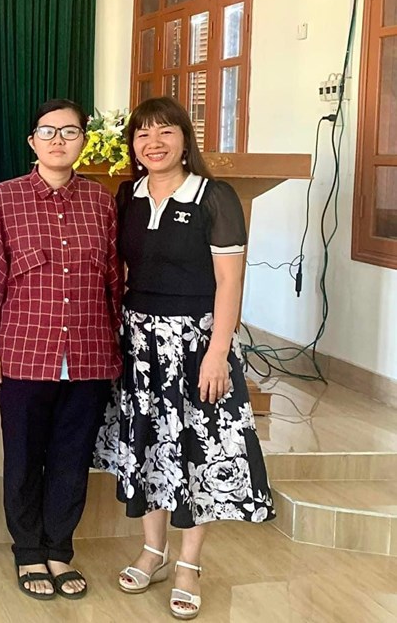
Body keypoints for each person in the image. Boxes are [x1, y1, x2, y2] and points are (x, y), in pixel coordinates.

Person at [94, 96, 275, 621]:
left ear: (184, 140)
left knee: (196, 452)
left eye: (165, 131)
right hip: (139, 343)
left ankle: (189, 564)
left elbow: (229, 283)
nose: (153, 142)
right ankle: (153, 551)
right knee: (148, 447)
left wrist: (218, 352)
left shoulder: (214, 197)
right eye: (142, 133)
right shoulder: (128, 195)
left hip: (196, 345)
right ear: (132, 144)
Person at [0, 98, 122, 602]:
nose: (59, 141)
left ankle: (59, 548)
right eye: (48, 132)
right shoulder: (4, 199)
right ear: (31, 141)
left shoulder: (102, 202)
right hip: (23, 351)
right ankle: (28, 550)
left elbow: (113, 282)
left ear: (84, 140)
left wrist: (116, 349)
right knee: (23, 456)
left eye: (70, 131)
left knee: (71, 457)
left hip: (89, 353)